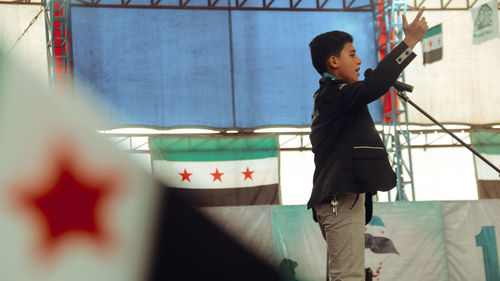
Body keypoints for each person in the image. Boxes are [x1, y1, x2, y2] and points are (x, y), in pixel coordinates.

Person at [307, 9, 429, 281]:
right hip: (340, 199)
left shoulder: (332, 97)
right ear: (333, 61)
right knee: (347, 277)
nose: (360, 60)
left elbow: (370, 87)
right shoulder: (332, 95)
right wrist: (408, 43)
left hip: (341, 198)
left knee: (347, 275)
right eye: (352, 54)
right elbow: (372, 87)